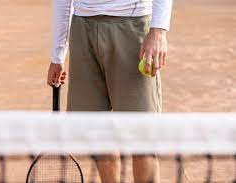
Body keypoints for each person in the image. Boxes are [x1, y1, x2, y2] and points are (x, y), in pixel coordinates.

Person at [47, 0, 172, 182]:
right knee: (98, 133)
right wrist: (57, 56)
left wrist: (158, 31)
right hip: (82, 28)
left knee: (142, 137)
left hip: (131, 24)